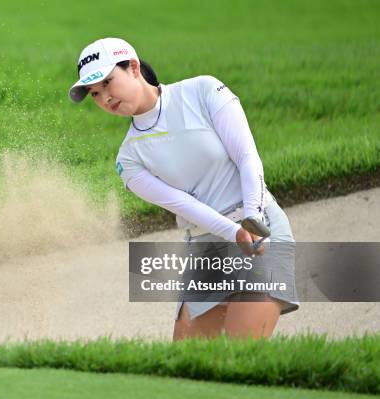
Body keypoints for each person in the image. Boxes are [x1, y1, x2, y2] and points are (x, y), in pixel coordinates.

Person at [68, 38, 299, 340]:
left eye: (108, 82)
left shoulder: (202, 90)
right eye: (95, 94)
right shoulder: (128, 159)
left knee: (239, 356)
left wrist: (253, 218)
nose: (105, 98)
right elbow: (183, 205)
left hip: (261, 232)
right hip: (208, 247)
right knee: (190, 368)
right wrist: (235, 233)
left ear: (133, 67)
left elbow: (246, 155)